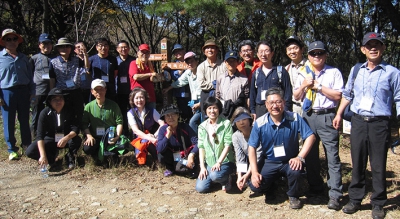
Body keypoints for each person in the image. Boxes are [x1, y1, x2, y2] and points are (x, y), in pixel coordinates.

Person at [333, 32, 400, 219]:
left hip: (380, 123)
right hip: (359, 121)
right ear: (363, 49)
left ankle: (378, 203)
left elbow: (399, 98)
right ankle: (355, 199)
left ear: (383, 48)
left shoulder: (393, 73)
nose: (373, 48)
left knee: (378, 164)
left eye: (377, 45)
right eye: (369, 45)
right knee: (358, 162)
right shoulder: (356, 70)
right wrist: (339, 113)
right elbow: (347, 94)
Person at [293, 41, 344, 210]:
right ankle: (315, 188)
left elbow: (338, 95)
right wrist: (304, 85)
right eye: (313, 53)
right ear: (308, 56)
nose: (317, 56)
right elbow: (296, 95)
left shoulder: (333, 72)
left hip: (327, 116)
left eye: (320, 53)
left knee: (332, 156)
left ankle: (335, 194)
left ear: (325, 55)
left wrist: (319, 87)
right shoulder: (303, 73)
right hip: (308, 116)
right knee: (311, 156)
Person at [248, 87, 316, 209]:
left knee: (295, 170)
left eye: (278, 102)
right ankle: (271, 186)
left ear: (284, 102)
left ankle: (293, 195)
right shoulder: (260, 122)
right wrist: (254, 172)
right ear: (266, 104)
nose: (275, 106)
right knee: (255, 186)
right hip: (270, 160)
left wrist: (300, 157)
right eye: (271, 102)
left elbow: (311, 136)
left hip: (289, 160)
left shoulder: (294, 118)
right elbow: (252, 147)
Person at [25, 88, 82, 169]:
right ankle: (49, 158)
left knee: (76, 140)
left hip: (66, 137)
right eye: (55, 99)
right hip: (50, 139)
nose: (58, 102)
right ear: (49, 101)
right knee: (30, 151)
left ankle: (70, 157)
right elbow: (40, 136)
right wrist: (42, 155)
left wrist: (66, 138)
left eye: (61, 98)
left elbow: (76, 129)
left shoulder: (69, 111)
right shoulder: (44, 113)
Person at [0, 28, 34, 160]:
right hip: (7, 92)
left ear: (18, 41)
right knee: (9, 121)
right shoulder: (0, 58)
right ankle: (12, 149)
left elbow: (30, 76)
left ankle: (27, 146)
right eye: (8, 39)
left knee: (25, 120)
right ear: (3, 42)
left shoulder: (23, 57)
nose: (12, 42)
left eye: (14, 39)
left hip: (24, 91)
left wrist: (32, 92)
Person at [195, 96, 235, 193]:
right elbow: (201, 147)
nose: (212, 111)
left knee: (215, 175)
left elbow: (228, 145)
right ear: (205, 110)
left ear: (219, 109)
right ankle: (216, 178)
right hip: (210, 162)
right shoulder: (202, 127)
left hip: (225, 161)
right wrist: (202, 167)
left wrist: (219, 162)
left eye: (215, 108)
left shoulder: (226, 124)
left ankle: (226, 179)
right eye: (209, 108)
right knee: (201, 188)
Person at [49, 37, 88, 130]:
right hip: (61, 92)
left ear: (71, 49)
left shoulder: (76, 60)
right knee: (63, 114)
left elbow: (86, 67)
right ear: (58, 49)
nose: (64, 49)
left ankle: (79, 132)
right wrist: (52, 93)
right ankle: (64, 132)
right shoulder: (53, 62)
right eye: (62, 47)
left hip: (75, 91)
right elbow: (52, 79)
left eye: (67, 46)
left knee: (78, 113)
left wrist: (85, 54)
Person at [249, 40, 293, 120]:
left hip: (277, 109)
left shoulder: (280, 71)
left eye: (266, 51)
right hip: (260, 110)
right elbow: (252, 94)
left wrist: (286, 110)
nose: (263, 54)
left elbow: (288, 93)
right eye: (261, 51)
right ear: (258, 54)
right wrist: (253, 111)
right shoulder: (256, 73)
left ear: (272, 53)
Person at [82, 79, 123, 162]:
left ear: (105, 90)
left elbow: (119, 122)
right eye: (96, 89)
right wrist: (89, 136)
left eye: (101, 89)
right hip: (95, 137)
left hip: (110, 137)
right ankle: (97, 153)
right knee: (87, 148)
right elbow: (84, 123)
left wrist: (117, 137)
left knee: (116, 156)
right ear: (92, 91)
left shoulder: (113, 105)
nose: (99, 92)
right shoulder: (88, 107)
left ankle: (108, 154)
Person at [162, 52, 201, 133]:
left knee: (197, 122)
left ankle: (197, 141)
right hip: (195, 101)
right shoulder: (188, 73)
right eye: (188, 62)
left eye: (192, 61)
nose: (190, 64)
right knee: (195, 122)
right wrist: (168, 88)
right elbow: (179, 82)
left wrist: (201, 103)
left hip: (204, 101)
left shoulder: (202, 71)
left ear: (197, 61)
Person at [157, 104, 199, 177]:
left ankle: (192, 168)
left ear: (178, 115)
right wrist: (167, 136)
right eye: (167, 115)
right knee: (161, 154)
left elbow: (198, 143)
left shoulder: (185, 127)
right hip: (173, 155)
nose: (170, 117)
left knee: (197, 151)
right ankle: (170, 168)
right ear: (165, 118)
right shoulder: (163, 129)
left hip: (186, 154)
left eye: (173, 114)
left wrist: (192, 154)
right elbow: (159, 149)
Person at [128, 87, 164, 165]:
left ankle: (157, 159)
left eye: (141, 97)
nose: (139, 100)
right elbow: (135, 130)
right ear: (133, 100)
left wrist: (154, 135)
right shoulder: (131, 113)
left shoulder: (152, 110)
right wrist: (149, 137)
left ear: (145, 99)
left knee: (158, 155)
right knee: (140, 162)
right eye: (136, 98)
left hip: (153, 137)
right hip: (138, 139)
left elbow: (162, 123)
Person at [230, 107, 263, 191]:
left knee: (255, 185)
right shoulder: (236, 136)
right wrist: (240, 176)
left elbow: (258, 155)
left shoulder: (256, 132)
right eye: (238, 121)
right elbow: (239, 157)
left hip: (261, 160)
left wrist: (247, 174)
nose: (241, 123)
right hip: (248, 163)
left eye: (244, 119)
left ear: (249, 120)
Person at [30, 33, 55, 138]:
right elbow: (29, 74)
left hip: (52, 91)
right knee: (36, 114)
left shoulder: (55, 58)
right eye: (44, 43)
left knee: (51, 114)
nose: (46, 46)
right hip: (37, 91)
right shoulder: (34, 58)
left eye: (49, 43)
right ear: (39, 45)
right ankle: (35, 136)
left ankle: (49, 135)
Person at [197, 39, 226, 118]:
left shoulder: (223, 65)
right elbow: (201, 84)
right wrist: (215, 84)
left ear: (216, 50)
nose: (210, 50)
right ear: (204, 51)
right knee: (206, 119)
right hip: (206, 95)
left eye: (212, 47)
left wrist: (217, 85)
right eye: (207, 48)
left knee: (221, 118)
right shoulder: (201, 67)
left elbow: (226, 82)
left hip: (220, 95)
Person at [216, 51, 249, 118]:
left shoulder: (244, 79)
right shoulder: (220, 78)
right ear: (225, 62)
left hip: (238, 111)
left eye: (233, 61)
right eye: (229, 61)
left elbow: (247, 98)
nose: (231, 63)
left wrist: (248, 111)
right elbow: (217, 96)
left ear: (238, 62)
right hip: (223, 110)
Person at [167, 44, 192, 122]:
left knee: (192, 113)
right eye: (175, 52)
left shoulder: (191, 61)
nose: (177, 53)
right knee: (183, 113)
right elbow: (174, 77)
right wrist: (181, 70)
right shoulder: (173, 65)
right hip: (180, 94)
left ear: (184, 51)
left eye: (179, 51)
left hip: (191, 93)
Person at [129, 44, 158, 109]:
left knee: (151, 118)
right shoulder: (133, 63)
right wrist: (150, 74)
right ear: (138, 53)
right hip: (138, 98)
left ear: (149, 54)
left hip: (150, 97)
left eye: (147, 52)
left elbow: (152, 78)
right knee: (138, 118)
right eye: (142, 52)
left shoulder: (150, 65)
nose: (144, 54)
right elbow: (136, 77)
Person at [116, 40, 135, 136]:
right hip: (119, 91)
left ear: (129, 48)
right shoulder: (114, 60)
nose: (123, 49)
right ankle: (124, 134)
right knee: (122, 114)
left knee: (134, 112)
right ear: (117, 49)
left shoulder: (134, 60)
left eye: (125, 47)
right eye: (121, 47)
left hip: (132, 91)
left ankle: (136, 133)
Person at [284, 36, 307, 116]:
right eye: (289, 49)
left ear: (302, 49)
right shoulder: (286, 69)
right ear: (286, 52)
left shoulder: (310, 66)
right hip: (292, 108)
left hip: (308, 107)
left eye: (295, 48)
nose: (292, 52)